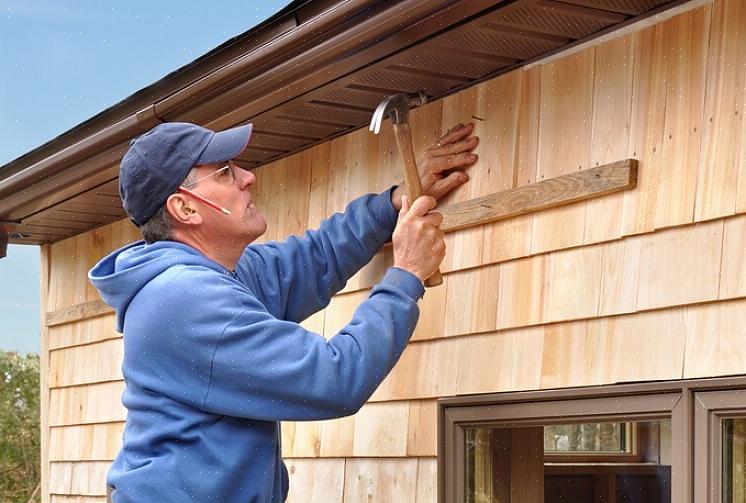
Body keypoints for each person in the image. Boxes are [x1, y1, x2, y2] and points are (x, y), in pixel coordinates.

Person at [89, 121, 479, 502]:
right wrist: (405, 274)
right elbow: (335, 378)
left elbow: (313, 259)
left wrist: (395, 201)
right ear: (186, 208)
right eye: (225, 173)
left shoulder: (216, 276)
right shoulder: (188, 298)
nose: (248, 177)